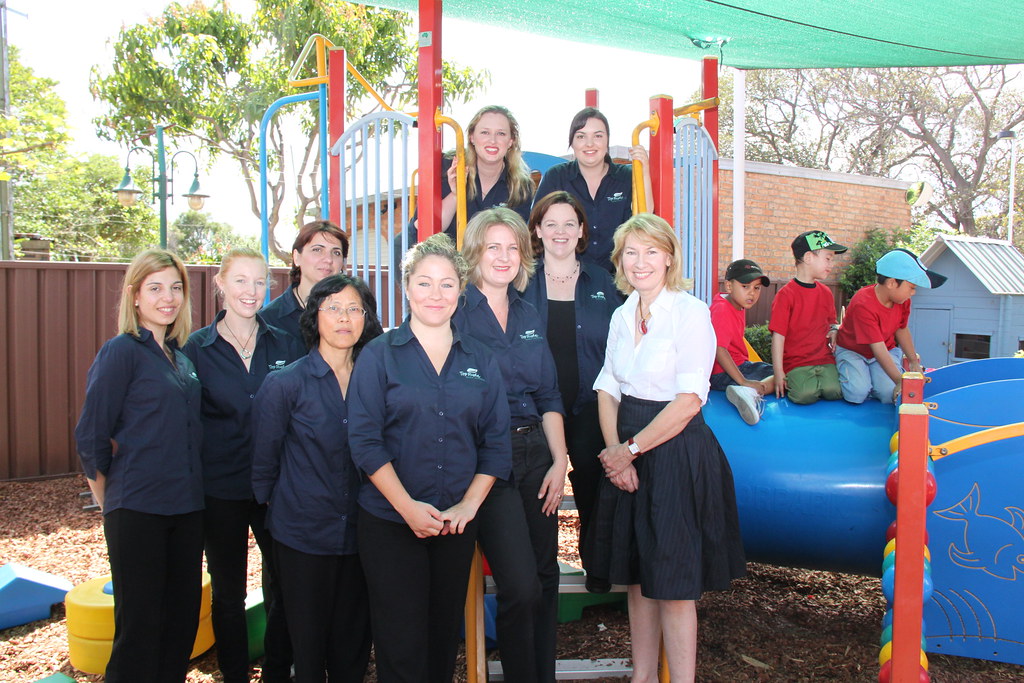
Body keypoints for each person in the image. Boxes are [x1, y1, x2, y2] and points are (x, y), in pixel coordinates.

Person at [588, 214, 746, 683]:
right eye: (631, 252)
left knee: (674, 584)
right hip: (628, 450)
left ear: (670, 258)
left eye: (651, 251)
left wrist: (629, 450)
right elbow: (608, 386)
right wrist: (615, 452)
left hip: (675, 450)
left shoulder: (690, 313)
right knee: (639, 578)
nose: (641, 262)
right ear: (620, 260)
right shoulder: (622, 314)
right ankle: (642, 676)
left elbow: (689, 400)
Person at [347, 233, 511, 683]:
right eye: (424, 283)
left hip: (455, 524)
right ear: (406, 288)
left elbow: (496, 444)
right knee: (400, 644)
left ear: (461, 290)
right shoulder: (379, 356)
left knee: (441, 641)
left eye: (446, 284)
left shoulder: (481, 359)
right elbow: (364, 441)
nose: (435, 294)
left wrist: (468, 506)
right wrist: (407, 508)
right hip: (389, 521)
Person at [74, 249, 204, 683]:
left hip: (187, 509)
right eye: (155, 288)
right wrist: (111, 505)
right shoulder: (122, 352)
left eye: (175, 288)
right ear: (134, 296)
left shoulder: (181, 359)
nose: (168, 298)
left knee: (180, 623)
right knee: (140, 629)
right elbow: (91, 435)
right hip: (138, 510)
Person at [454, 207, 569, 683]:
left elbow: (549, 394)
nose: (503, 257)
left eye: (512, 248)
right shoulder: (455, 311)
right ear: (474, 253)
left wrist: (560, 460)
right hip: (487, 460)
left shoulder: (528, 312)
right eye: (492, 247)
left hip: (537, 453)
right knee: (520, 586)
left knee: (545, 577)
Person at [251, 274, 383, 683]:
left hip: (364, 534)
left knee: (353, 647)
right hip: (302, 538)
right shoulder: (285, 384)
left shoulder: (380, 383)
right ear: (314, 317)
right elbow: (263, 467)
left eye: (354, 309)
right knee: (307, 648)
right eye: (333, 308)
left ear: (366, 318)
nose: (344, 318)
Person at [182, 248, 304, 683]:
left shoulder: (286, 343)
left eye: (259, 281)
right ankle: (233, 673)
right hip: (221, 487)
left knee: (287, 585)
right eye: (240, 280)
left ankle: (277, 670)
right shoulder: (196, 349)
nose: (251, 291)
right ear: (220, 284)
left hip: (276, 487)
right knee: (228, 592)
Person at [521, 191, 622, 580]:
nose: (559, 232)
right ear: (537, 230)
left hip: (590, 405)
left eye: (568, 224)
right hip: (534, 408)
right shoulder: (521, 280)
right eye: (551, 224)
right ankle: (537, 576)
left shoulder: (603, 281)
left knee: (594, 482)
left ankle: (597, 567)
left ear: (581, 230)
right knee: (536, 489)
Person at [534, 107, 653, 272]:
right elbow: (536, 225)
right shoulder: (556, 177)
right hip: (568, 275)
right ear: (572, 143)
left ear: (607, 141)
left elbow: (646, 217)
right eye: (581, 136)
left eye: (598, 136)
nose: (589, 143)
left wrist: (644, 172)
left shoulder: (626, 176)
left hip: (618, 277)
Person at [402, 105, 535, 252]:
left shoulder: (520, 185)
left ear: (511, 141)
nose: (492, 140)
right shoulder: (448, 167)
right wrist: (455, 195)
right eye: (485, 132)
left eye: (501, 134)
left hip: (487, 259)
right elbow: (425, 231)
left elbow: (514, 242)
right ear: (471, 137)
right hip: (441, 255)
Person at [835, 248, 946, 403]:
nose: (913, 293)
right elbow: (877, 348)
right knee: (857, 394)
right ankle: (851, 373)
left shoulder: (902, 300)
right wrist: (900, 381)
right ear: (892, 283)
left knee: (888, 394)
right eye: (911, 287)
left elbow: (902, 329)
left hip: (886, 349)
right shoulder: (863, 303)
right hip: (854, 351)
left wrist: (913, 361)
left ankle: (873, 380)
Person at [769, 230, 847, 404]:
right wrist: (779, 372)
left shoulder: (826, 293)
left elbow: (832, 323)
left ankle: (818, 381)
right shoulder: (786, 295)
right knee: (804, 395)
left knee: (835, 391)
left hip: (824, 359)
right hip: (797, 362)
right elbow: (778, 336)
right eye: (828, 258)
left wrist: (835, 330)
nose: (831, 264)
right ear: (808, 257)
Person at [709, 259, 776, 426]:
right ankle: (749, 391)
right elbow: (719, 349)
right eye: (745, 286)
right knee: (786, 376)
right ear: (729, 286)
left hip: (735, 367)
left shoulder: (736, 305)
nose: (752, 293)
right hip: (723, 373)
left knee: (781, 373)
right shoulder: (722, 309)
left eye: (757, 288)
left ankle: (750, 390)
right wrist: (742, 381)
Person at [261, 219, 348, 343]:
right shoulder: (268, 320)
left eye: (336, 252)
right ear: (296, 257)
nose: (328, 259)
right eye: (317, 250)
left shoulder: (354, 315)